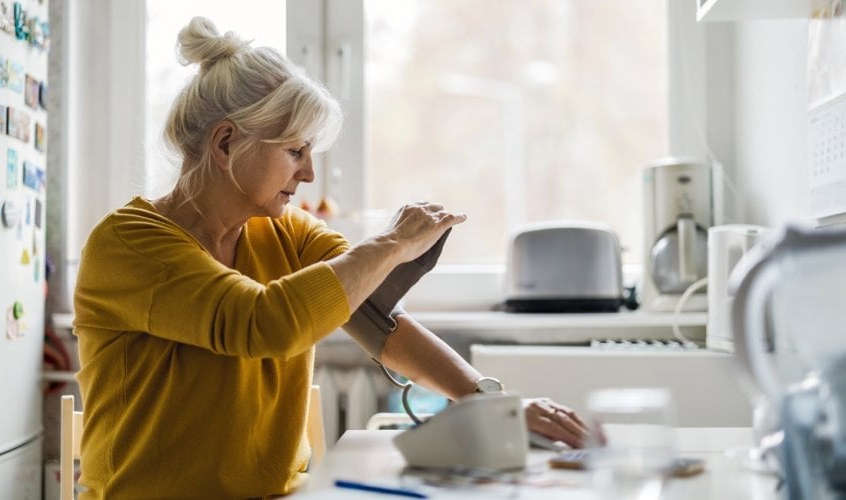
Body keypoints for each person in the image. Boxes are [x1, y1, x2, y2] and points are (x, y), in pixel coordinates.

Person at [73, 16, 588, 499]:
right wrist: (389, 244)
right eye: (295, 151)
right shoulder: (129, 245)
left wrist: (489, 404)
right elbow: (261, 323)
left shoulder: (288, 232)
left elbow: (372, 313)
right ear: (226, 142)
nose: (308, 175)